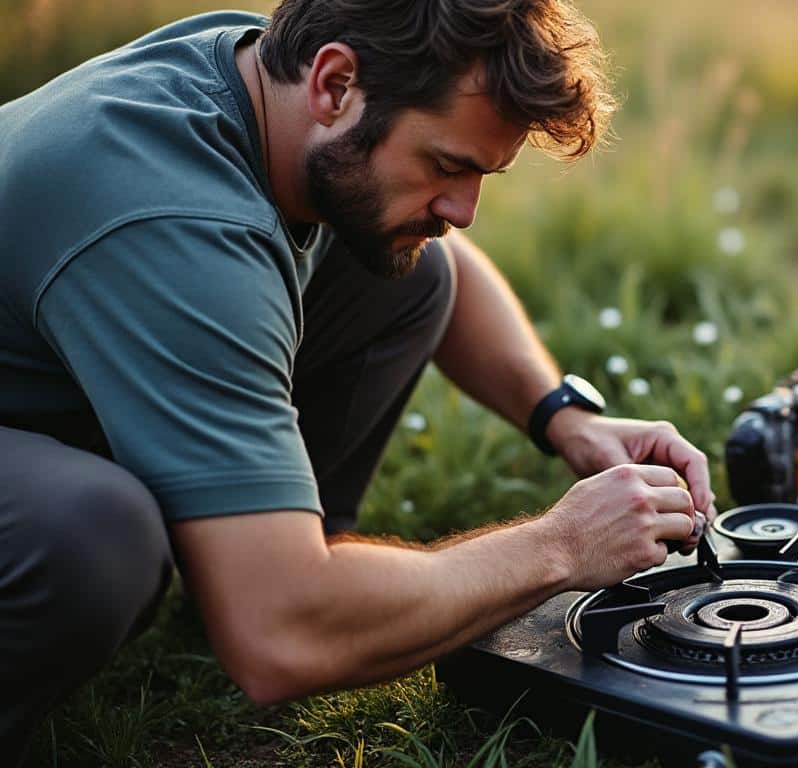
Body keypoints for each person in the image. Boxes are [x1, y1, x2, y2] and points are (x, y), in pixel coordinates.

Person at [0, 0, 717, 757]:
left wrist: (566, 418)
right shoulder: (176, 226)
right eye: (448, 164)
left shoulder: (265, 76)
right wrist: (563, 546)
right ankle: (295, 590)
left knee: (408, 266)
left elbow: (450, 273)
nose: (464, 210)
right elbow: (279, 642)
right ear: (335, 83)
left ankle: (274, 571)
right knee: (89, 537)